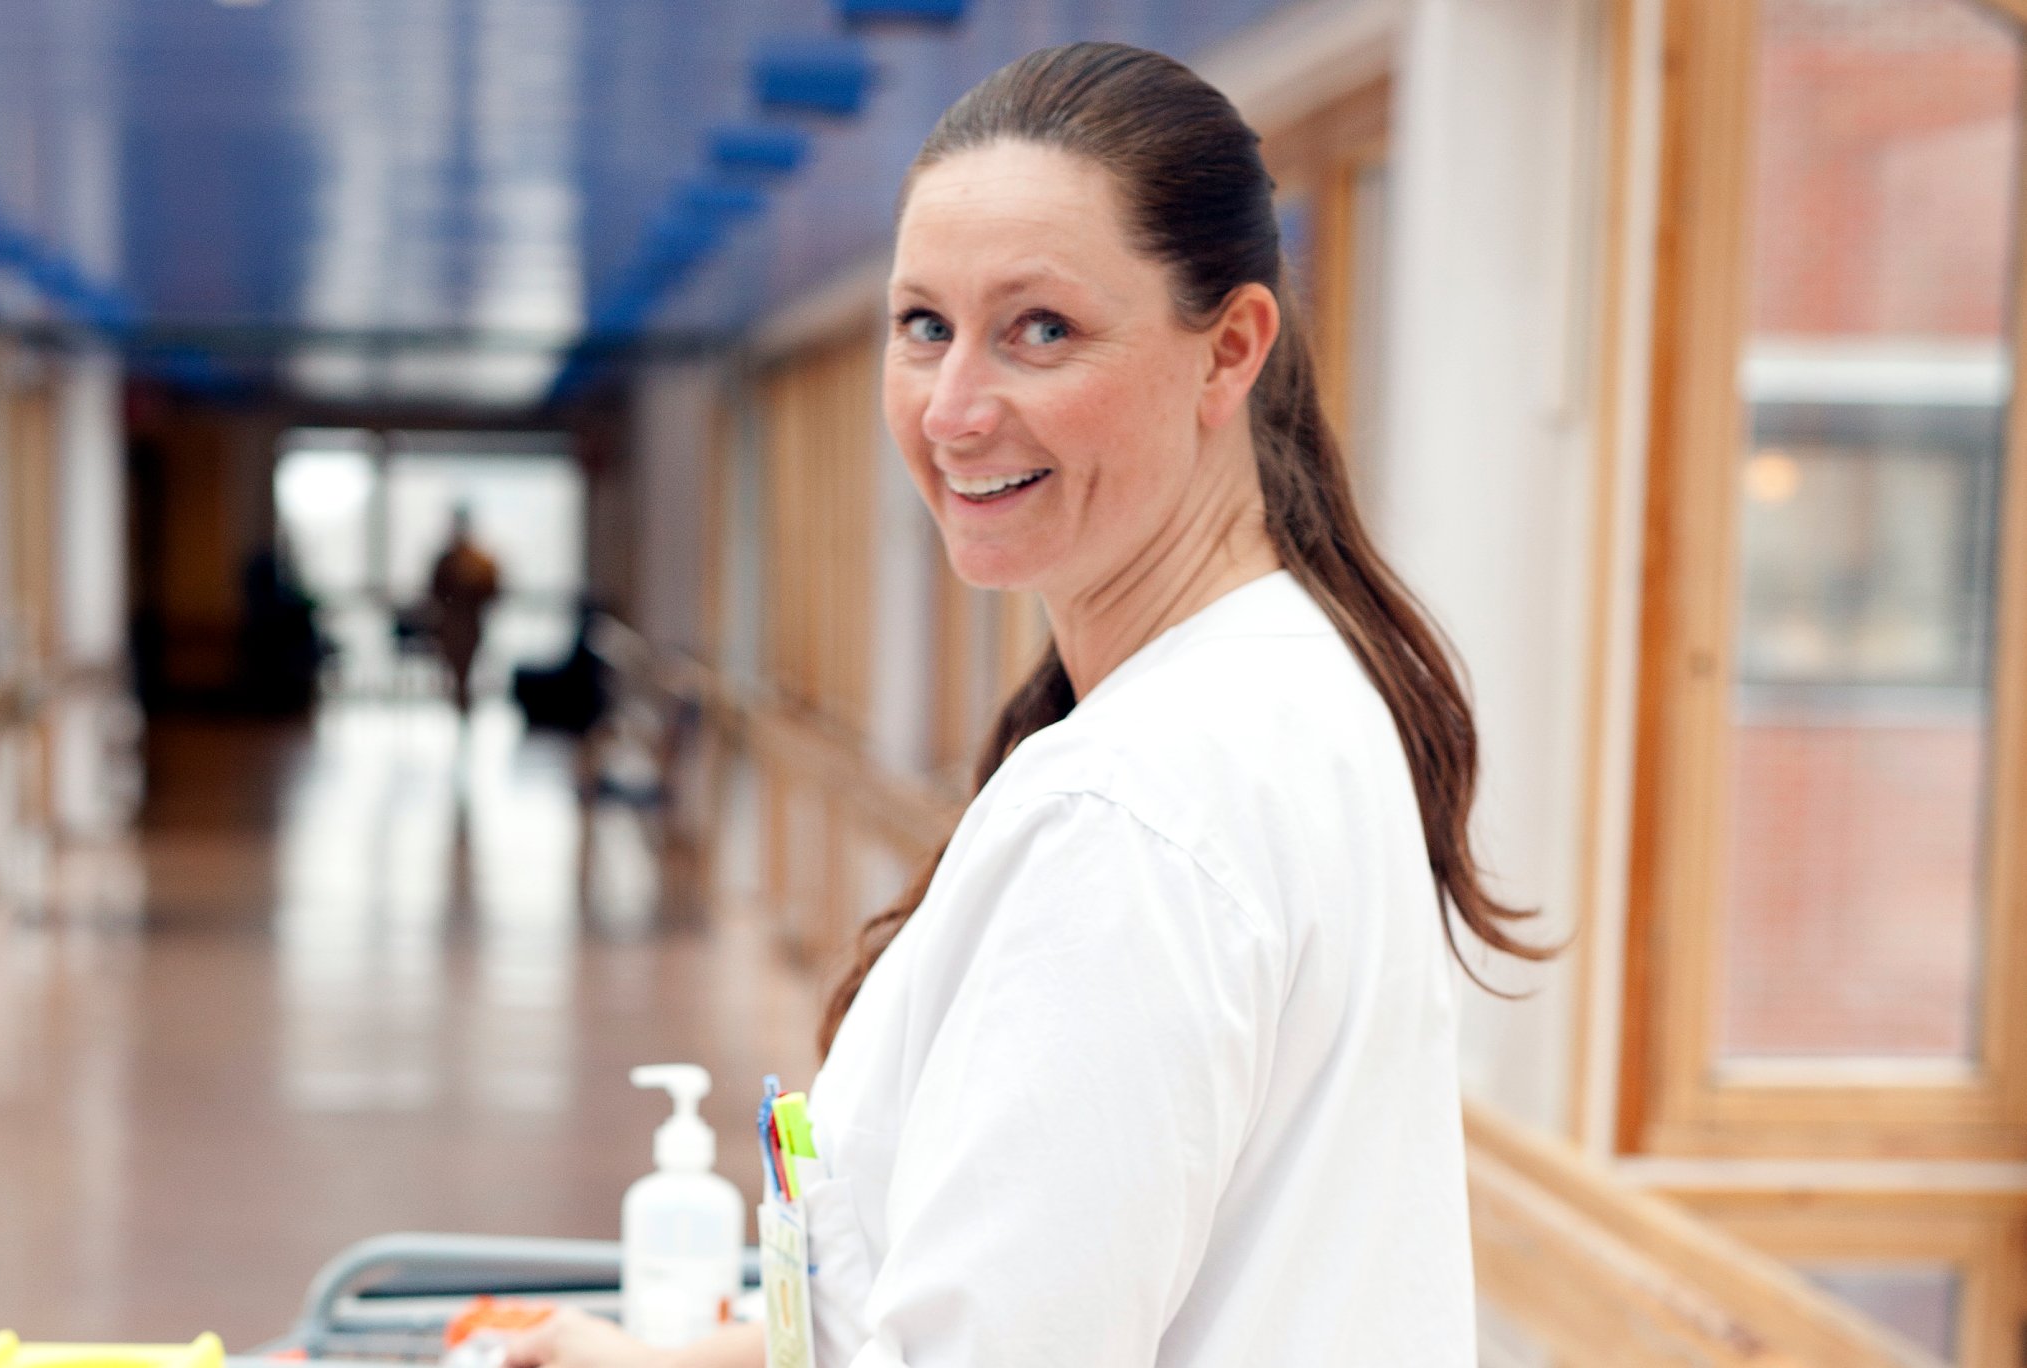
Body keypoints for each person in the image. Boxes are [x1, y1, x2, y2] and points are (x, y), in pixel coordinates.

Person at [505, 42, 1545, 1368]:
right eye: (924, 325)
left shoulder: (1135, 813)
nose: (953, 410)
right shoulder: (1290, 683)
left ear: (1228, 350)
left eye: (1039, 330)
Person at [428, 506, 503, 717]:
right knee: (458, 670)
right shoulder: (450, 560)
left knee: (464, 670)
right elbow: (436, 591)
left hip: (469, 622)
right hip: (454, 623)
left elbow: (491, 590)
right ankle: (461, 707)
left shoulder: (478, 561)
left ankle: (463, 707)